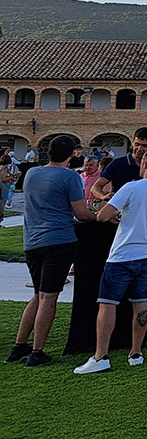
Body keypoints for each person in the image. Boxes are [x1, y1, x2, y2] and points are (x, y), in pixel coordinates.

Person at [74, 148, 147, 374]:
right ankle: (135, 352)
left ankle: (101, 355)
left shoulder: (131, 187)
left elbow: (103, 216)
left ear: (143, 164)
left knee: (108, 303)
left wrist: (120, 213)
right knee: (141, 302)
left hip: (123, 253)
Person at [4, 136, 95, 367]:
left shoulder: (32, 173)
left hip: (32, 241)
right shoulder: (71, 177)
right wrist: (101, 216)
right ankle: (37, 352)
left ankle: (19, 345)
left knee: (37, 294)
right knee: (49, 297)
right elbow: (81, 213)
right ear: (72, 154)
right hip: (58, 241)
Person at [91, 127, 147, 200]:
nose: (139, 149)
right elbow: (96, 187)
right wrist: (103, 196)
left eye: (145, 146)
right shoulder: (118, 164)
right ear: (132, 143)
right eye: (137, 144)